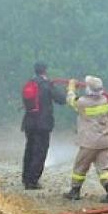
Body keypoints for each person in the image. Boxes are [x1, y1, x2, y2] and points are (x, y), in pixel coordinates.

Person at [62, 75, 108, 203]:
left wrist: (71, 87)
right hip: (104, 140)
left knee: (80, 166)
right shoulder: (105, 100)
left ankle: (74, 191)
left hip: (90, 142)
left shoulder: (83, 102)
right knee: (104, 168)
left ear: (88, 89)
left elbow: (71, 100)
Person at [20, 61, 67, 189]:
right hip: (42, 124)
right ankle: (32, 181)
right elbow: (62, 99)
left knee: (29, 150)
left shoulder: (30, 83)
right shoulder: (47, 84)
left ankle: (25, 178)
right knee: (39, 152)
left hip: (29, 123)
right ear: (45, 70)